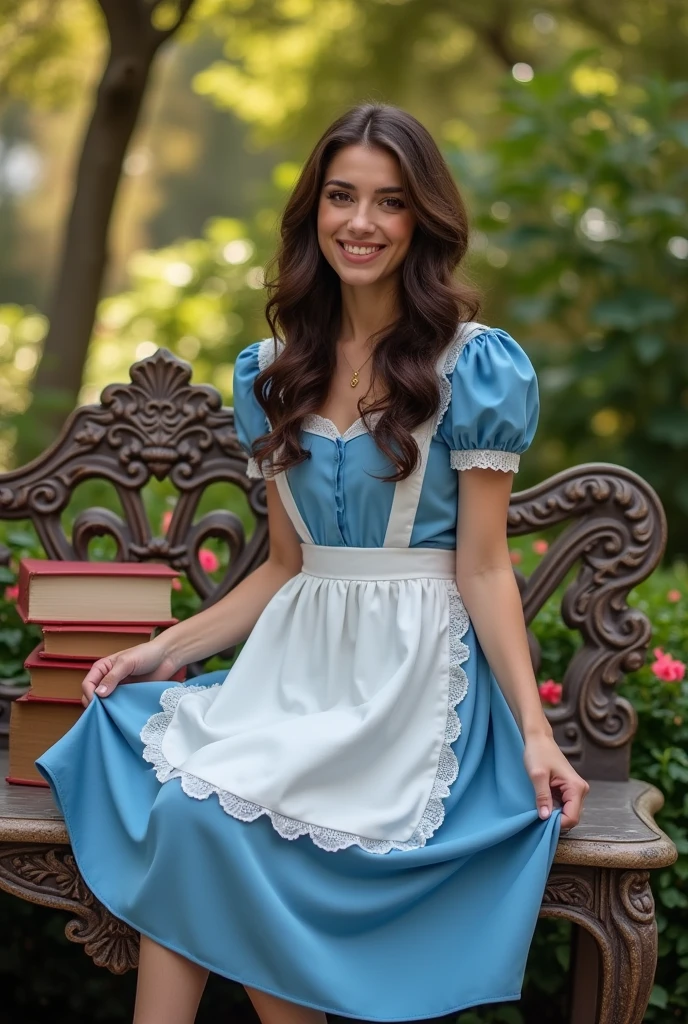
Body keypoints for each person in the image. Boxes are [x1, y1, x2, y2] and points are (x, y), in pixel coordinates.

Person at [37, 102, 589, 1024]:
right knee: (188, 808)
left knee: (213, 822)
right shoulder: (273, 372)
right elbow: (285, 566)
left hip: (414, 686)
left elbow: (485, 569)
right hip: (297, 675)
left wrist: (536, 733)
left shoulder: (475, 367)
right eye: (341, 198)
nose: (361, 224)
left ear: (423, 221)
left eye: (389, 202)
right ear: (313, 212)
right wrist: (161, 650)